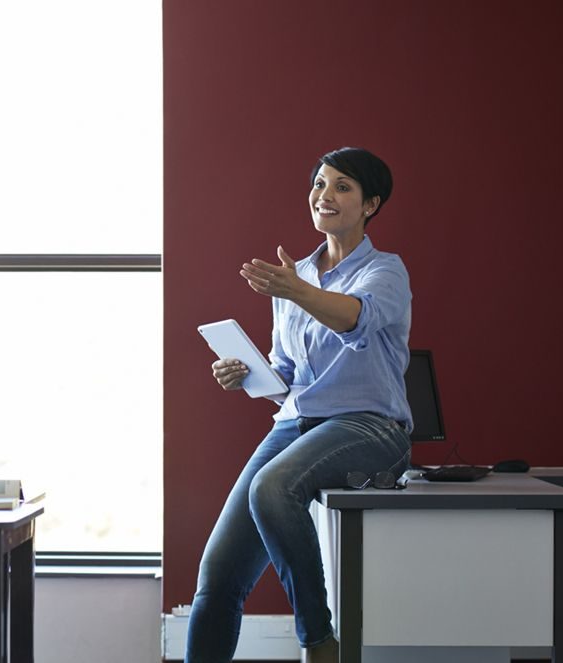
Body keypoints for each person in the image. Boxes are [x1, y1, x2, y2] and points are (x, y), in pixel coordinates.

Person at [185, 147, 411, 663]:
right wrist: (243, 375)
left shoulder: (385, 271)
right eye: (319, 184)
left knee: (273, 485)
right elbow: (287, 372)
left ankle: (318, 641)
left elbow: (355, 319)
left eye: (342, 187)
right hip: (296, 423)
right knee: (216, 581)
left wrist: (296, 290)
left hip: (370, 426)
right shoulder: (294, 277)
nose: (324, 195)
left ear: (370, 204)